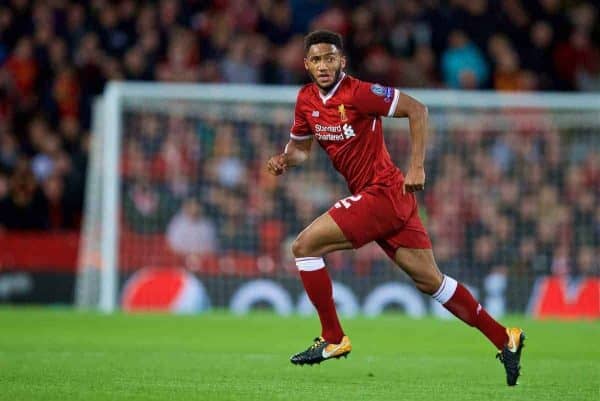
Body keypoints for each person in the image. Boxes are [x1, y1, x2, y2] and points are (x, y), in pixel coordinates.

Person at [266, 30, 525, 386]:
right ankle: (505, 338)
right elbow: (301, 150)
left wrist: (416, 165)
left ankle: (333, 337)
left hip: (382, 193)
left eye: (330, 58)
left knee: (304, 247)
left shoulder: (360, 92)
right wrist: (284, 160)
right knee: (431, 281)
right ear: (306, 64)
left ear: (342, 61)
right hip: (389, 200)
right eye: (316, 60)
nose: (324, 65)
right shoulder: (306, 100)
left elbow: (417, 110)